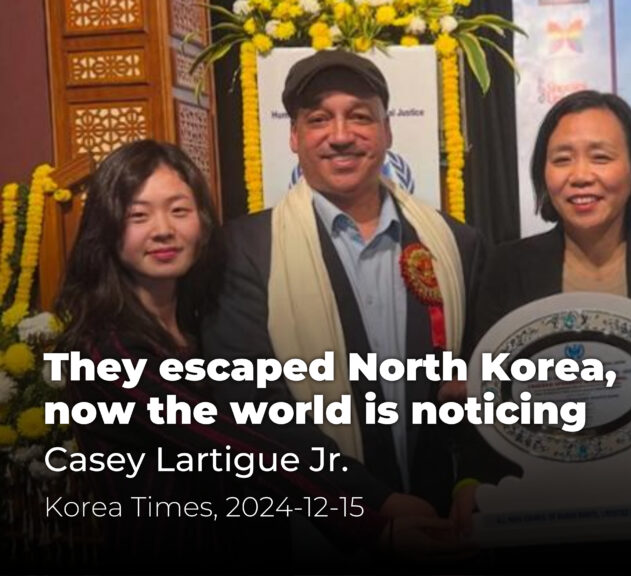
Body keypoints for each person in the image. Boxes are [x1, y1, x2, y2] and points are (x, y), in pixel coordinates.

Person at [56, 140, 461, 571]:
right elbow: (237, 446)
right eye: (139, 215)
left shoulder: (200, 320)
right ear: (107, 227)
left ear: (203, 221)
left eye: (179, 210)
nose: (163, 230)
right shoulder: (108, 351)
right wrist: (375, 521)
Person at [201, 49, 486, 527]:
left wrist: (472, 480)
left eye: (360, 116)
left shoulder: (456, 244)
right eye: (318, 119)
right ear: (294, 136)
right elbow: (253, 407)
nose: (340, 135)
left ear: (387, 131)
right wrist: (375, 507)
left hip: (449, 523)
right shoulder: (244, 251)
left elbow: (486, 381)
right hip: (323, 526)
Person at [453, 90, 631, 527]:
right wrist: (471, 476)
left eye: (600, 157)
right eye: (562, 159)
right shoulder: (507, 267)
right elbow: (483, 400)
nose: (581, 176)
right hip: (537, 510)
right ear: (543, 173)